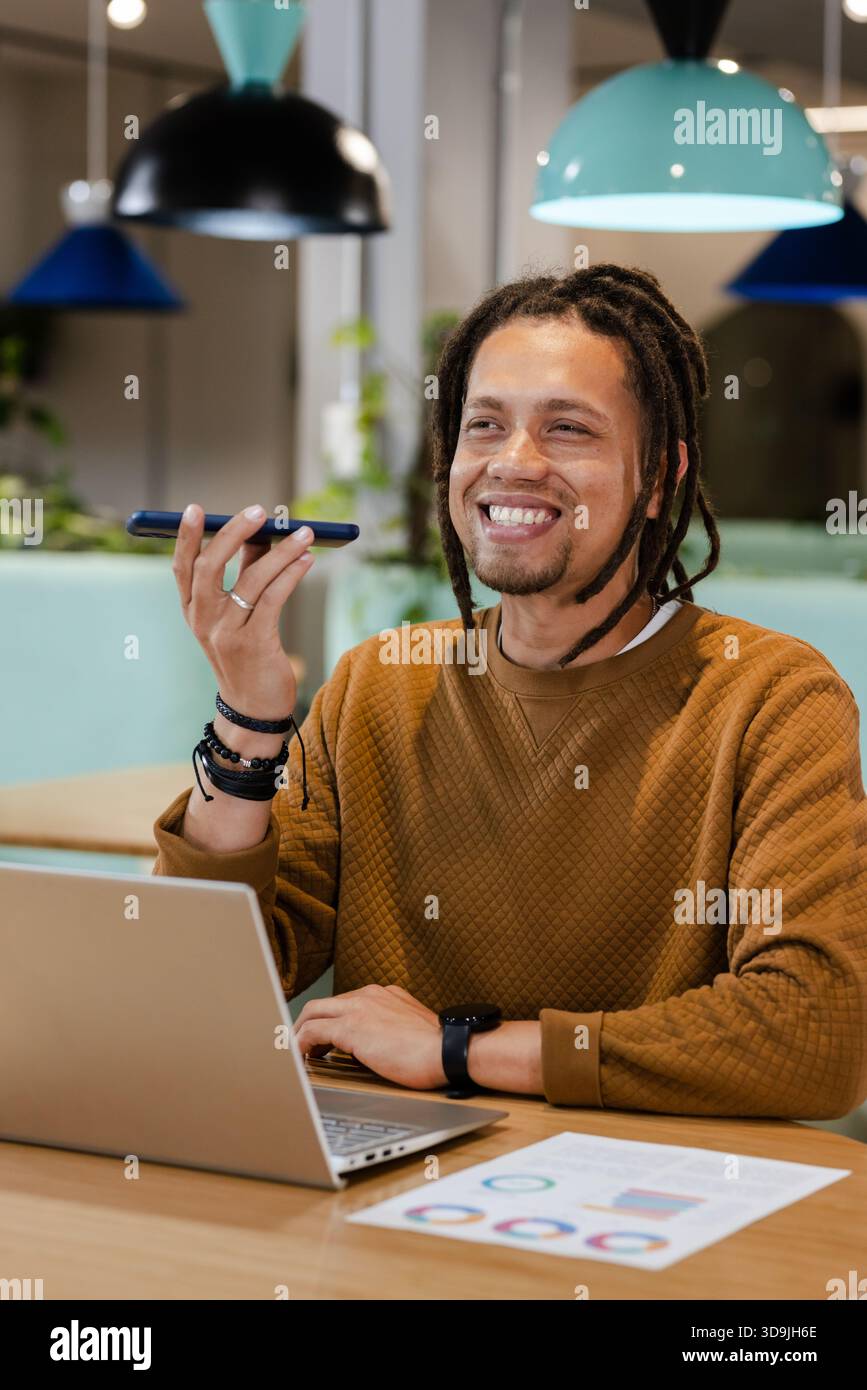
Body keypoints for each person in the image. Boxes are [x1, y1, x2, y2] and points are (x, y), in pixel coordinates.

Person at [153, 263, 867, 1116]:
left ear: (659, 480)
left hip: (653, 1200)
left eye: (567, 429)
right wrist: (248, 721)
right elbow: (197, 982)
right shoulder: (377, 685)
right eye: (483, 425)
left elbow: (811, 1033)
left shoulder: (770, 698)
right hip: (389, 1188)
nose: (512, 462)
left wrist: (455, 1052)